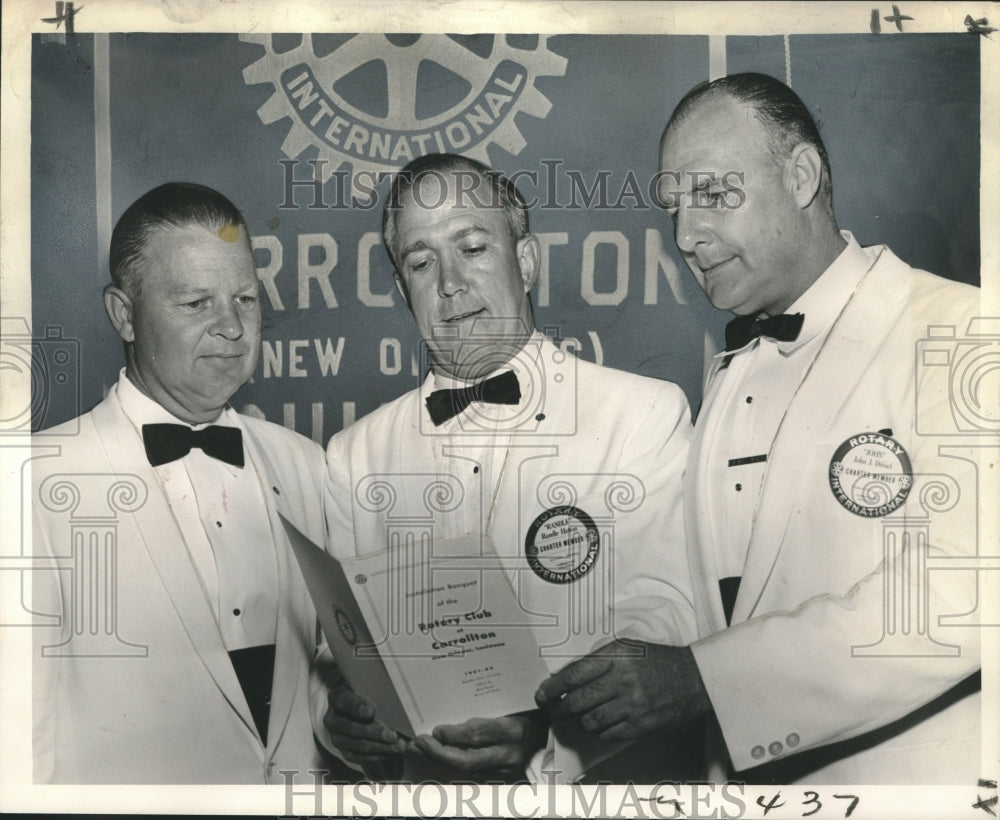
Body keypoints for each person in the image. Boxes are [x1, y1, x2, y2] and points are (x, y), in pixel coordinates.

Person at [536, 73, 983, 784]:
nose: (685, 235)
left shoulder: (964, 330)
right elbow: (709, 602)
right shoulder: (730, 374)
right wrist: (588, 694)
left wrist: (703, 680)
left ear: (801, 176)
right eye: (674, 207)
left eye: (712, 194)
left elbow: (966, 597)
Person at [317, 153, 698, 784]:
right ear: (403, 285)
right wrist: (342, 719)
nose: (449, 282)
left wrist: (545, 725)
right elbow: (335, 653)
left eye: (471, 247)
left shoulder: (642, 412)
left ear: (525, 261)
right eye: (420, 261)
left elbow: (663, 618)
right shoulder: (354, 455)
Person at [31, 182, 344, 784]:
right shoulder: (31, 480)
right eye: (196, 302)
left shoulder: (306, 464)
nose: (231, 327)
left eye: (245, 300)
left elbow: (323, 684)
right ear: (124, 314)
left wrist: (349, 725)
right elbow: (20, 740)